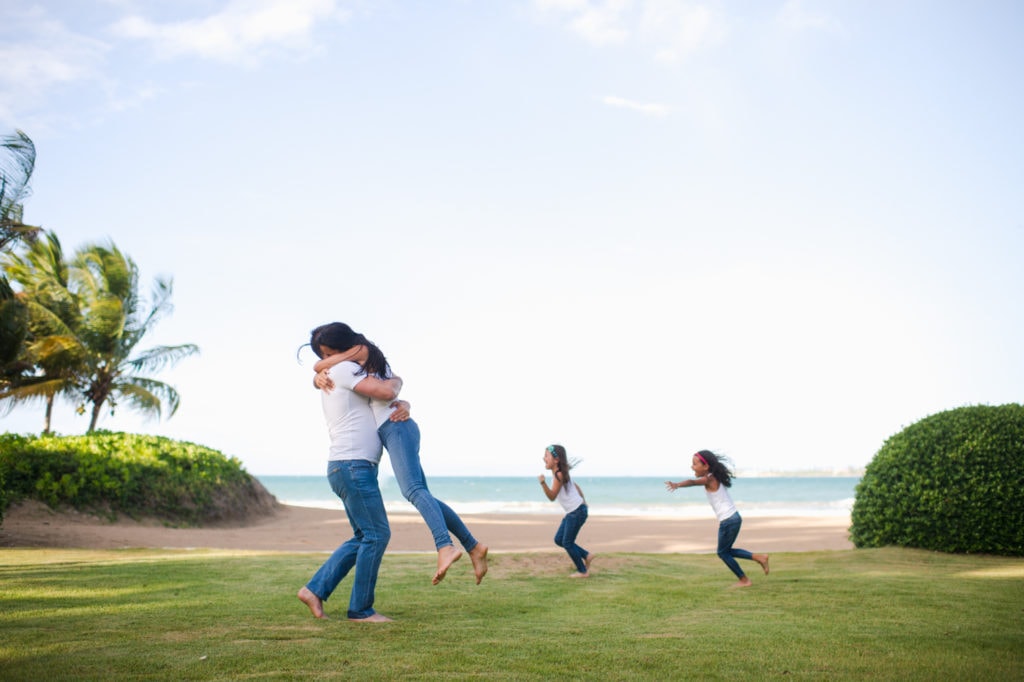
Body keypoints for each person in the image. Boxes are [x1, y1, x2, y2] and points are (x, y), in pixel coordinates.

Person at [312, 324, 489, 586]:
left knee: (413, 491)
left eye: (328, 353)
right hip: (394, 425)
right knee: (424, 495)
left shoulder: (360, 351)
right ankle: (474, 547)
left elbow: (387, 389)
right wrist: (318, 375)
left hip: (395, 425)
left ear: (342, 347)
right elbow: (391, 381)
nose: (325, 361)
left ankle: (445, 546)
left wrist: (320, 371)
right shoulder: (360, 357)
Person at [296, 323, 399, 622]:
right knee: (377, 534)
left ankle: (314, 590)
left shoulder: (343, 370)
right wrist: (398, 383)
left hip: (348, 466)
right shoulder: (342, 370)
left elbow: (382, 396)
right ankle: (361, 610)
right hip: (352, 465)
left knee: (364, 536)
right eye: (325, 355)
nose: (327, 359)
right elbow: (384, 390)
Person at [665, 450, 769, 588]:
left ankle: (745, 580)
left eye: (695, 464)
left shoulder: (709, 479)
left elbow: (692, 482)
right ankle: (759, 558)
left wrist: (678, 485)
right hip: (733, 518)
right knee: (725, 551)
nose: (692, 467)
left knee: (722, 553)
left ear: (706, 466)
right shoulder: (714, 477)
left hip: (728, 520)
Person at [538, 444, 593, 578]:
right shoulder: (562, 474)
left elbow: (552, 497)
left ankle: (582, 571)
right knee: (559, 539)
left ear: (556, 460)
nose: (543, 458)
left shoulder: (559, 475)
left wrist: (543, 483)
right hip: (575, 511)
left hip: (576, 512)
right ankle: (586, 555)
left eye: (546, 456)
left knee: (567, 542)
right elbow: (576, 486)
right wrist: (583, 501)